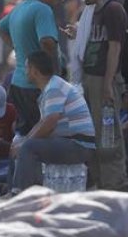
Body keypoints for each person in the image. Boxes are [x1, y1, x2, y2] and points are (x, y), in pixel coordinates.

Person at [71, 0, 128, 190]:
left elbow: (114, 48)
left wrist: (108, 83)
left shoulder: (112, 9)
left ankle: (114, 181)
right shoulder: (93, 12)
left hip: (103, 80)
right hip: (90, 78)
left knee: (108, 133)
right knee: (92, 133)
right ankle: (98, 179)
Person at [10, 50, 95, 192]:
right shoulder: (51, 87)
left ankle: (20, 193)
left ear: (34, 70)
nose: (25, 72)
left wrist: (24, 144)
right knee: (21, 145)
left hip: (78, 145)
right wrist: (22, 142)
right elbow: (42, 123)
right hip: (73, 143)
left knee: (29, 148)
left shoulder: (54, 88)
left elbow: (49, 123)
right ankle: (18, 190)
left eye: (27, 68)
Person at [0, 0, 69, 136]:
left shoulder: (21, 7)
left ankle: (18, 159)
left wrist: (19, 49)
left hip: (18, 82)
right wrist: (56, 75)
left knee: (23, 133)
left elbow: (0, 28)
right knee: (41, 134)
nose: (61, 2)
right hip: (37, 85)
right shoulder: (43, 10)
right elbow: (47, 42)